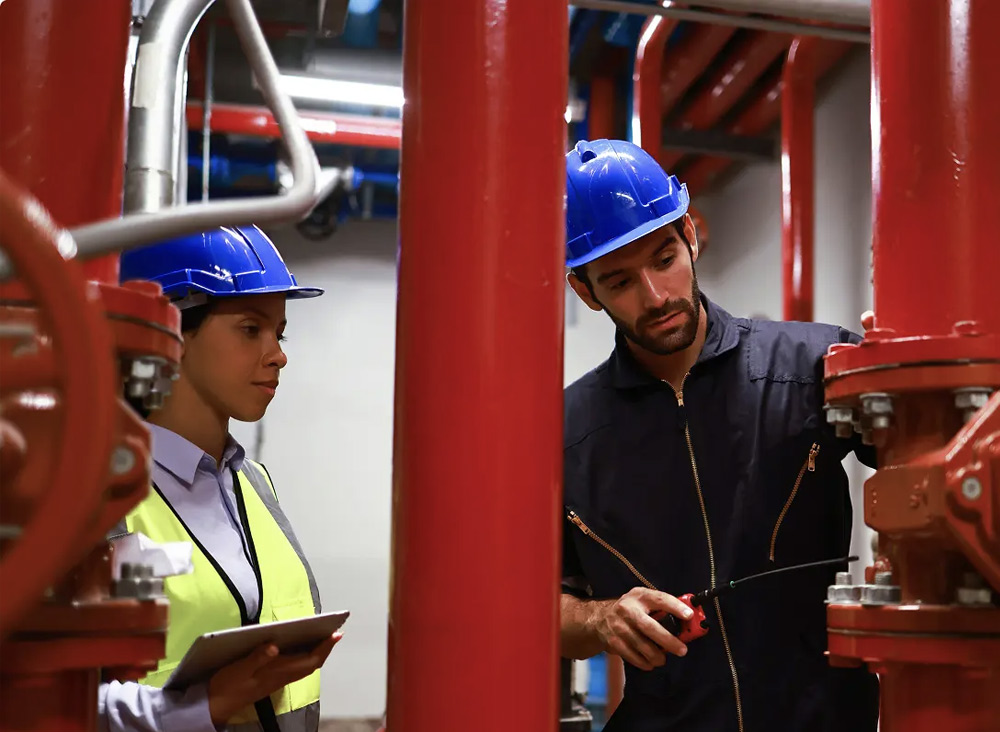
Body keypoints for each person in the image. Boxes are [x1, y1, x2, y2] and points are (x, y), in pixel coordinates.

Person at [558, 140, 879, 732]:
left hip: (823, 718)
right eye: (620, 281)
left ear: (689, 236)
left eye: (663, 259)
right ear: (585, 291)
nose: (655, 297)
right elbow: (536, 607)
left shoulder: (813, 365)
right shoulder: (567, 433)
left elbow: (941, 463)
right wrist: (601, 618)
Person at [100, 226, 337, 732]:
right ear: (166, 334)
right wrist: (200, 705)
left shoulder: (253, 482)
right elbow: (36, 698)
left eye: (281, 332)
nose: (278, 354)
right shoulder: (94, 497)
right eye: (251, 329)